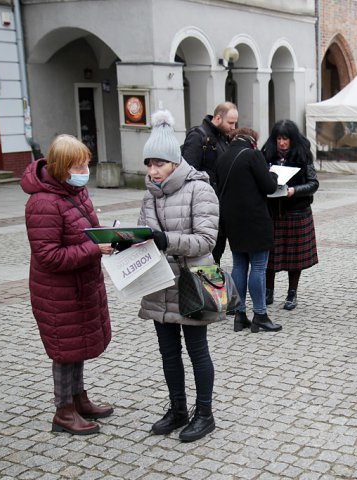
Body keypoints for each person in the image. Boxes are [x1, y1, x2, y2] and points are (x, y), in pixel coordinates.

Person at [21, 134, 113, 435]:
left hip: (82, 283)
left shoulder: (76, 192)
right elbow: (48, 256)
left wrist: (110, 237)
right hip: (58, 291)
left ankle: (79, 399)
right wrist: (93, 249)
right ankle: (63, 411)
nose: (85, 170)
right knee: (65, 351)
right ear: (62, 167)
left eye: (86, 163)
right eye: (79, 165)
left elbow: (88, 231)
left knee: (78, 345)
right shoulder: (43, 202)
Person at [137, 110, 220, 442]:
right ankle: (177, 409)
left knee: (197, 350)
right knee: (168, 352)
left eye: (158, 163)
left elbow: (206, 240)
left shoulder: (199, 189)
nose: (152, 170)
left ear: (174, 162)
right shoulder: (149, 195)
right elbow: (144, 237)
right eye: (148, 164)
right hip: (159, 280)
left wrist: (166, 241)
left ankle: (205, 414)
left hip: (196, 278)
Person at [216, 128, 281, 332]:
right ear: (253, 140)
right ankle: (260, 315)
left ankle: (240, 315)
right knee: (259, 267)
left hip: (232, 220)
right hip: (255, 220)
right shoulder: (253, 155)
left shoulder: (222, 157)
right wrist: (273, 173)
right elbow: (269, 187)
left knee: (239, 266)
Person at [262, 120, 319, 311]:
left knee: (295, 257)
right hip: (273, 212)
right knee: (270, 255)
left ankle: (291, 293)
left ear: (292, 139)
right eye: (278, 138)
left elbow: (313, 184)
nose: (281, 142)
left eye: (285, 138)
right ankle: (268, 291)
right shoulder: (267, 153)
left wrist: (295, 190)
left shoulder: (303, 155)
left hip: (297, 211)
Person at [181, 102, 238, 264]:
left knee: (216, 254)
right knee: (206, 257)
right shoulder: (198, 136)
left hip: (219, 206)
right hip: (203, 207)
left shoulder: (223, 137)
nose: (233, 127)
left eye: (235, 123)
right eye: (230, 123)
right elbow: (188, 172)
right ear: (218, 118)